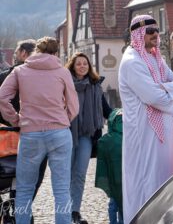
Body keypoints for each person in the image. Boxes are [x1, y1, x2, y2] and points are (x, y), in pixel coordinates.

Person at [0, 36, 79, 224]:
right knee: (61, 188)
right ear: (56, 52)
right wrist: (62, 120)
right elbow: (74, 106)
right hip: (59, 133)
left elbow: (2, 97)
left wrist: (16, 119)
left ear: (36, 50)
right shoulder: (62, 72)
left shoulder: (20, 71)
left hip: (30, 133)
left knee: (25, 187)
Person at [119, 14, 173, 222]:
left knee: (164, 179)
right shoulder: (132, 62)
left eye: (157, 30)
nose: (155, 34)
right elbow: (153, 97)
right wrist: (171, 105)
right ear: (137, 34)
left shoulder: (156, 58)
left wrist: (163, 89)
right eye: (150, 31)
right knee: (145, 183)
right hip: (144, 134)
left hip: (163, 133)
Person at [0, 39, 49, 224]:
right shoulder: (46, 75)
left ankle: (11, 210)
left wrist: (14, 120)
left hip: (7, 137)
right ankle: (21, 211)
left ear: (22, 54)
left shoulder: (8, 75)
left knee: (8, 175)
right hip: (37, 132)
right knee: (32, 178)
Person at [65, 52, 112, 224]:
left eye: (85, 63)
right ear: (72, 66)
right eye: (79, 64)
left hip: (86, 135)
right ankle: (64, 211)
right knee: (65, 174)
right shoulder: (65, 84)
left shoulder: (95, 86)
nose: (82, 66)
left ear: (89, 66)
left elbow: (107, 110)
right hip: (66, 134)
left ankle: (75, 212)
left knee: (80, 174)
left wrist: (121, 116)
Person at [95, 108, 123, 224]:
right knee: (120, 205)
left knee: (114, 205)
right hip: (121, 180)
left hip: (115, 179)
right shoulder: (129, 138)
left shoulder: (106, 140)